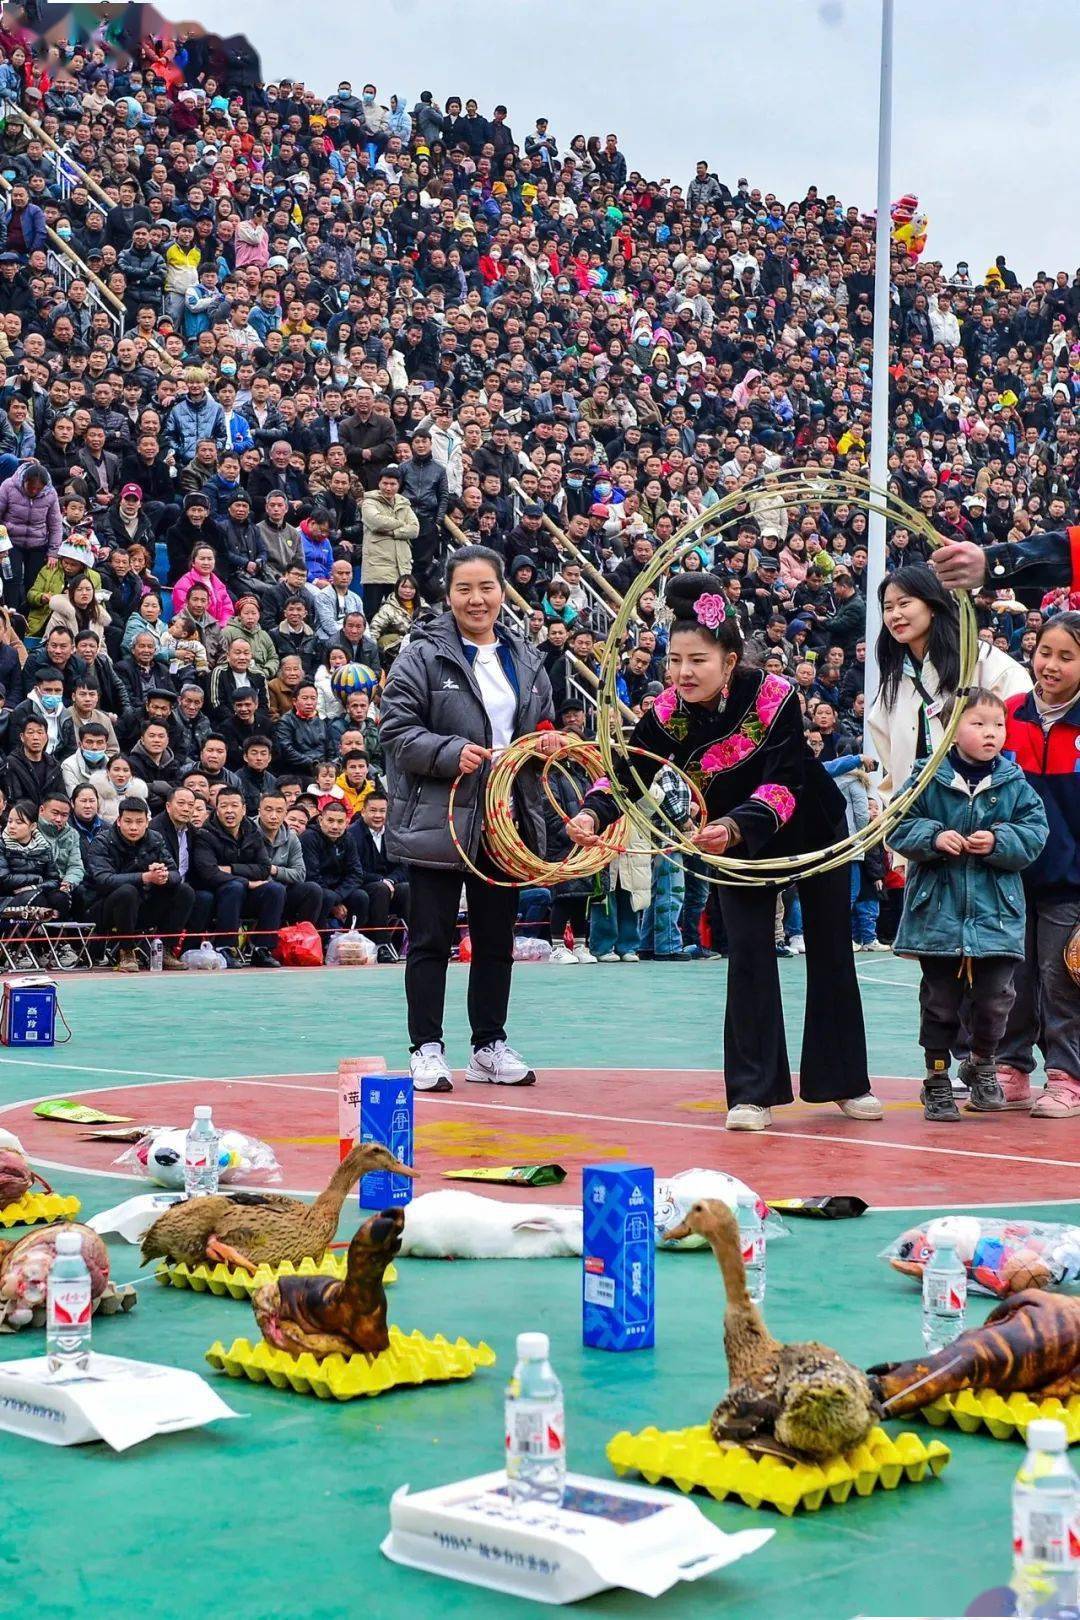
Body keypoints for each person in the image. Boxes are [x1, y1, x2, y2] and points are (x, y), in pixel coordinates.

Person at [567, 572, 880, 1132]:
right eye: (674, 660)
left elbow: (785, 780)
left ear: (729, 659)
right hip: (734, 845)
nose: (683, 672)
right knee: (750, 956)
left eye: (697, 660)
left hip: (810, 827)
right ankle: (753, 1092)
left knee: (832, 951)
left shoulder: (776, 695)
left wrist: (737, 827)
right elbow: (629, 771)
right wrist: (593, 811)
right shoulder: (665, 712)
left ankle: (844, 1082)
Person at [381, 546, 557, 1092]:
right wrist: (449, 751)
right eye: (464, 589)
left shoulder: (525, 658)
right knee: (431, 937)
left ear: (502, 591)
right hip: (439, 818)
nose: (476, 599)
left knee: (495, 938)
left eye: (486, 588)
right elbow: (395, 732)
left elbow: (541, 721)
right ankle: (426, 1048)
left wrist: (548, 739)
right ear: (448, 595)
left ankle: (488, 1046)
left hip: (503, 819)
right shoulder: (421, 655)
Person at [889, 689, 1049, 1122]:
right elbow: (896, 823)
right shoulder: (926, 778)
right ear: (952, 728)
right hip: (938, 915)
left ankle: (982, 1064)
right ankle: (937, 1078)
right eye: (978, 723)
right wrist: (933, 837)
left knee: (997, 999)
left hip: (996, 914)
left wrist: (1000, 841)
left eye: (998, 725)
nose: (990, 733)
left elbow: (1035, 834)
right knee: (940, 1002)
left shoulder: (1015, 783)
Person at [997, 614, 1080, 1119]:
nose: (1049, 664)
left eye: (1066, 657)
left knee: (1061, 979)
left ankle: (1067, 1075)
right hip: (1009, 878)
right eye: (1044, 651)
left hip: (1070, 882)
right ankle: (1010, 1068)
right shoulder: (1008, 713)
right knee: (1010, 977)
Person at [868, 566, 1031, 800]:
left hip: (981, 809)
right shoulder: (895, 679)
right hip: (920, 818)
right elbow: (892, 758)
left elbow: (1020, 719)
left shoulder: (980, 660)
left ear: (933, 606)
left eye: (904, 604)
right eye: (888, 607)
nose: (895, 615)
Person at [86, 797, 195, 973]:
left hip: (144, 905)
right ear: (119, 821)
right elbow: (103, 880)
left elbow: (176, 874)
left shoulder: (155, 838)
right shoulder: (103, 841)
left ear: (147, 822)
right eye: (128, 821)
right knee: (127, 891)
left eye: (139, 822)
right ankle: (127, 952)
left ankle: (167, 950)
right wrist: (144, 877)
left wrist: (163, 875)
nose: (134, 827)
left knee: (185, 891)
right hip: (107, 908)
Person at [190, 787, 285, 968]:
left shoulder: (252, 831)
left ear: (243, 809)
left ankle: (262, 949)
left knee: (275, 889)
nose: (229, 811)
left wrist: (231, 869)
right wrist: (246, 881)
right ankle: (224, 947)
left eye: (234, 805)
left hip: (244, 894)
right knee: (234, 887)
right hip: (217, 894)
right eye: (224, 806)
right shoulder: (205, 834)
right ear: (216, 809)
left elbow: (264, 869)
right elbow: (209, 872)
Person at [349, 788, 409, 961]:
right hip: (364, 885)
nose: (378, 815)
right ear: (363, 811)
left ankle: (416, 940)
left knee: (406, 888)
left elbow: (403, 866)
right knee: (380, 889)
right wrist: (382, 880)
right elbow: (355, 870)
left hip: (389, 884)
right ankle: (381, 945)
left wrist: (391, 880)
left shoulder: (394, 832)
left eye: (382, 811)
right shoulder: (353, 834)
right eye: (373, 810)